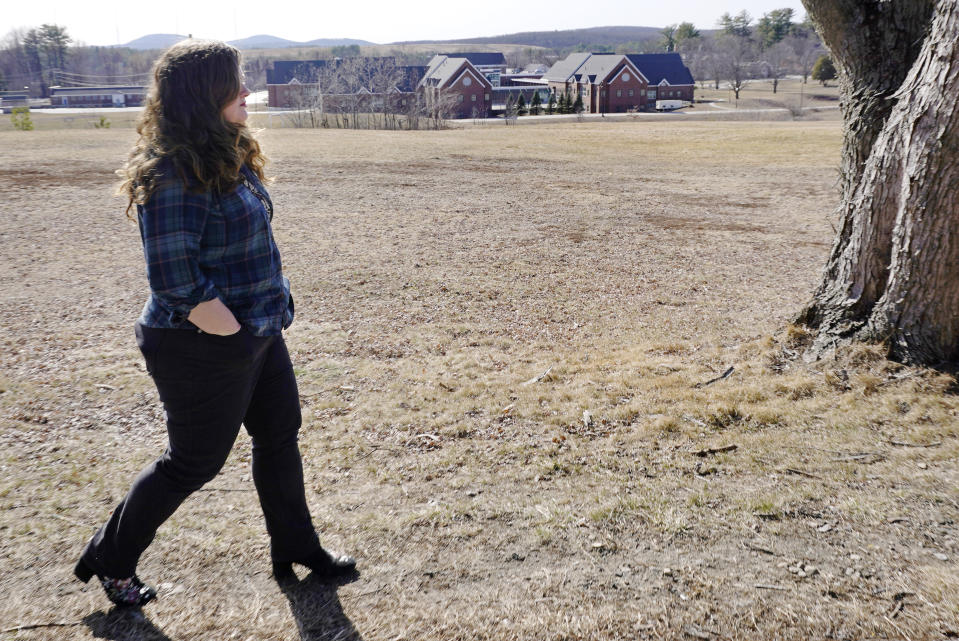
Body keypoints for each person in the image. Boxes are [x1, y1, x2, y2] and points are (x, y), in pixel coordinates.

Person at [74, 40, 355, 608]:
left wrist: (254, 327)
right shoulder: (174, 170)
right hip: (199, 343)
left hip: (256, 331)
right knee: (194, 461)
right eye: (235, 84)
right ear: (206, 96)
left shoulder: (225, 151)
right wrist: (228, 330)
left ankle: (295, 546)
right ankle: (112, 558)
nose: (247, 92)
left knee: (279, 437)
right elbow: (175, 280)